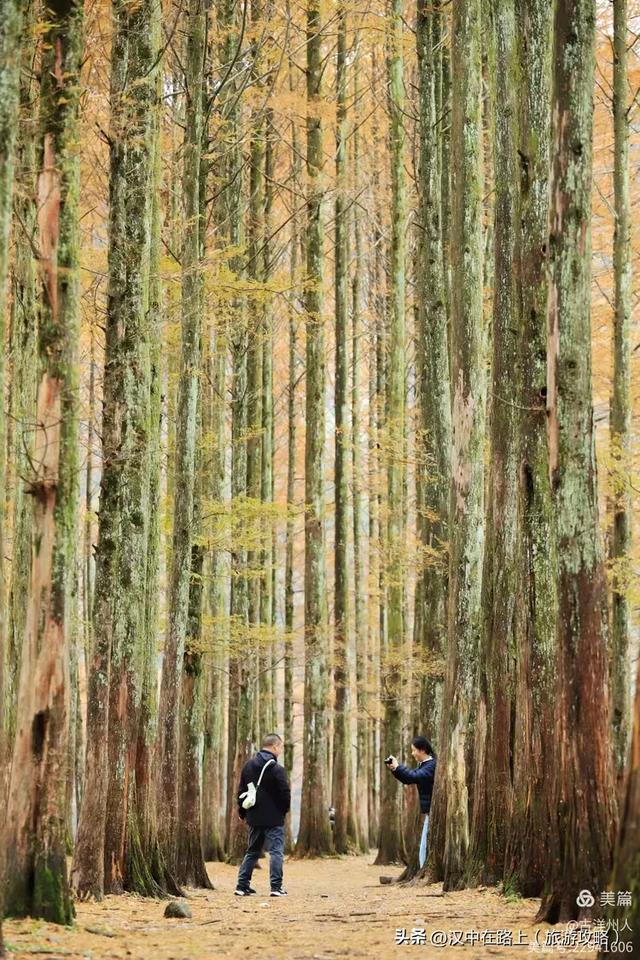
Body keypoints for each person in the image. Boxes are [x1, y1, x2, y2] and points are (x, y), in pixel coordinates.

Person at [235, 733, 291, 897]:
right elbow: (284, 793)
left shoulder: (248, 766)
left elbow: (242, 792)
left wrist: (242, 811)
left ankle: (242, 885)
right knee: (276, 852)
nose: (280, 750)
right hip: (274, 819)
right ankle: (276, 887)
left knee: (252, 851)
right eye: (280, 747)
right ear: (274, 747)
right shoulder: (276, 769)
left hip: (254, 817)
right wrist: (283, 811)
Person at [386, 736, 436, 869]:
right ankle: (422, 870)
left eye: (414, 750)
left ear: (423, 750)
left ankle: (423, 870)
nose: (412, 753)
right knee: (424, 845)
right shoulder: (424, 765)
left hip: (435, 811)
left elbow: (414, 776)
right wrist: (395, 769)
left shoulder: (431, 766)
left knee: (425, 846)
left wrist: (398, 767)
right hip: (430, 811)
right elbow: (409, 779)